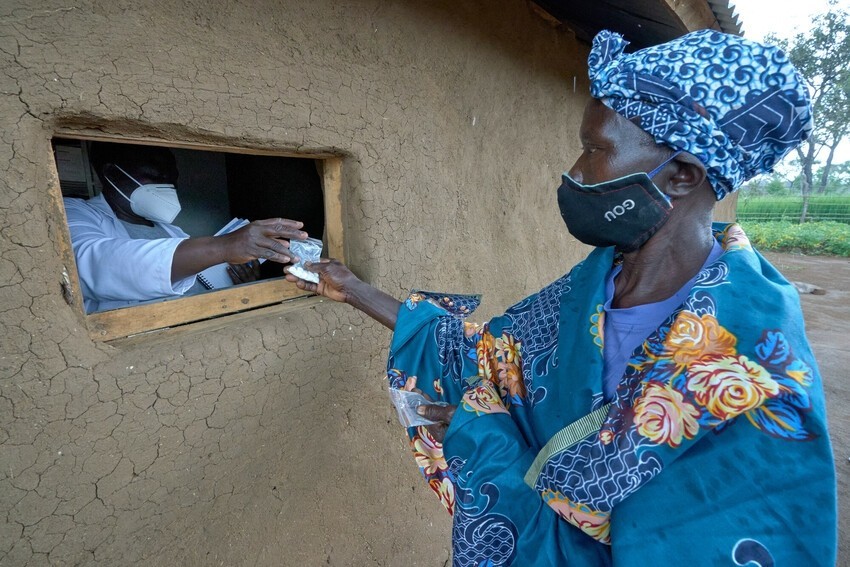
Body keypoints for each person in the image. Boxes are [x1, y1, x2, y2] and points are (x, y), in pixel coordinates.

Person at [287, 29, 837, 565]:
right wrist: (355, 290)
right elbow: (488, 358)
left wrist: (483, 439)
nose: (574, 173)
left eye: (595, 150)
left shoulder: (756, 372)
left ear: (682, 176)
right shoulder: (588, 292)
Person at [64, 142, 307, 313]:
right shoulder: (75, 212)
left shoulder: (170, 230)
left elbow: (192, 285)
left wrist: (239, 282)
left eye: (173, 178)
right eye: (156, 176)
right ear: (112, 174)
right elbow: (91, 266)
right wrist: (224, 246)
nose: (168, 185)